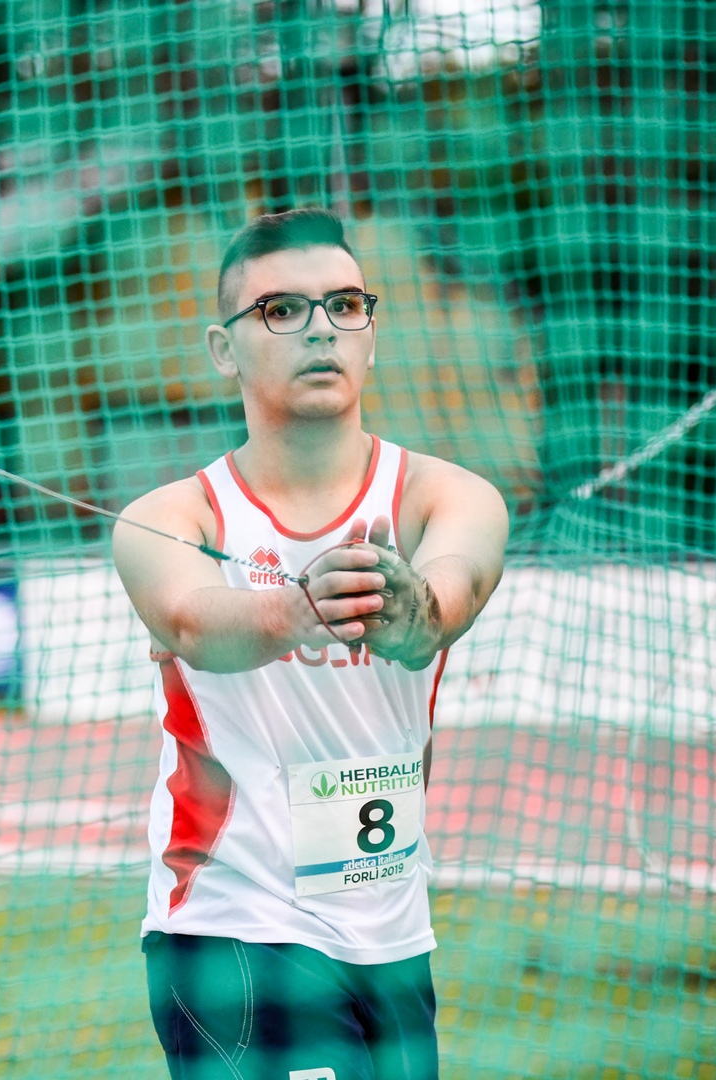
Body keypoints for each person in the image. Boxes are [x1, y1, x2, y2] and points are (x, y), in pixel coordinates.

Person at [112, 208, 509, 1080]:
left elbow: (453, 593)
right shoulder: (172, 516)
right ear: (224, 350)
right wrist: (300, 608)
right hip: (234, 930)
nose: (322, 328)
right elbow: (191, 622)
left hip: (394, 936)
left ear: (372, 331)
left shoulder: (447, 495)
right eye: (282, 310)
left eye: (345, 305)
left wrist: (407, 607)